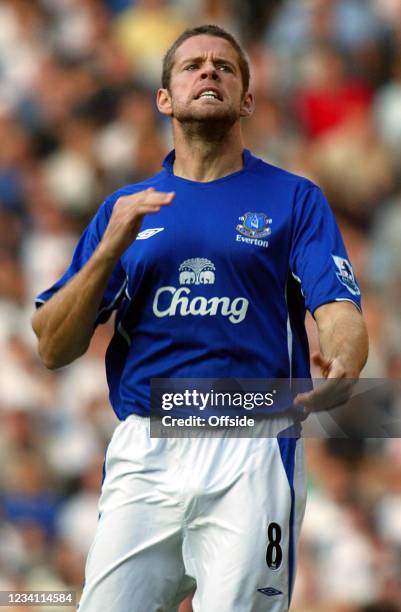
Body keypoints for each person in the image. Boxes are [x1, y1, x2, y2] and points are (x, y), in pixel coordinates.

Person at [32, 24, 368, 612]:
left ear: (247, 100)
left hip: (254, 443)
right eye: (191, 66)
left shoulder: (293, 198)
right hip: (145, 449)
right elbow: (52, 348)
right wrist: (108, 250)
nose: (208, 71)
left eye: (224, 66)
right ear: (164, 98)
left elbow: (339, 309)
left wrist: (344, 359)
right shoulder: (125, 210)